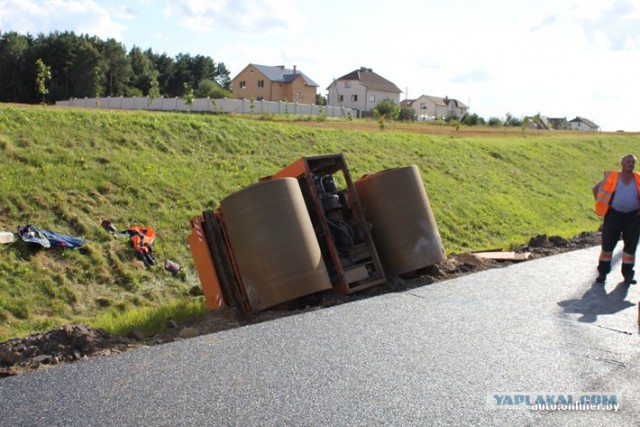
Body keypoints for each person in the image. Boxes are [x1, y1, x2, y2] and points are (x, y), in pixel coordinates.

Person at [592, 153, 640, 285]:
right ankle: (602, 273)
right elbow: (595, 189)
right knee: (607, 246)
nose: (631, 164)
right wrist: (603, 204)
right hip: (614, 215)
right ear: (622, 163)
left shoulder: (638, 178)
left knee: (630, 248)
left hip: (633, 217)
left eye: (633, 162)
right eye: (628, 161)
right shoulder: (612, 176)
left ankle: (628, 275)